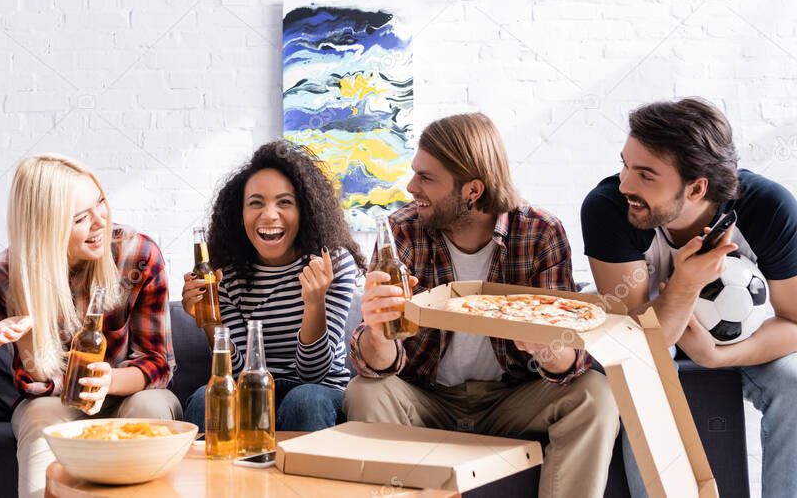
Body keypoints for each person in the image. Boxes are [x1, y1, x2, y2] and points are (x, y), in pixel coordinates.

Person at [344, 113, 619, 498]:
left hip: (512, 398)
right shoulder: (402, 231)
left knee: (595, 395)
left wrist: (548, 349)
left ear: (472, 190)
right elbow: (377, 364)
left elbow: (568, 363)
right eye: (414, 173)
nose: (411, 187)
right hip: (427, 399)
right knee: (363, 392)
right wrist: (377, 329)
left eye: (426, 178)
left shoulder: (540, 232)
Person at [581, 98, 797, 498]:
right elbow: (639, 344)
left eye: (645, 175)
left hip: (724, 339)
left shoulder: (769, 209)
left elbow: (795, 322)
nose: (626, 184)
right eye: (624, 165)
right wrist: (684, 284)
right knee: (647, 387)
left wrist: (719, 356)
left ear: (696, 187)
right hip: (645, 336)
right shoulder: (609, 208)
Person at [0, 154, 179, 498]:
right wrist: (27, 340)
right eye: (81, 218)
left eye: (100, 202)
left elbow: (157, 362)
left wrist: (107, 381)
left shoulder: (138, 254)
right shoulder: (8, 273)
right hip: (57, 399)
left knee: (150, 409)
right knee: (41, 417)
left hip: (128, 391)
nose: (101, 221)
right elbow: (38, 385)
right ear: (46, 226)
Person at [181, 140, 362, 432]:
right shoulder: (226, 273)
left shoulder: (333, 263)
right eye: (256, 203)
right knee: (207, 398)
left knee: (304, 401)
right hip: (249, 387)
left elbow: (313, 373)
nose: (269, 215)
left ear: (305, 210)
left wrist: (314, 302)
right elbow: (236, 372)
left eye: (284, 202)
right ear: (239, 215)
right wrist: (210, 319)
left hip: (318, 390)